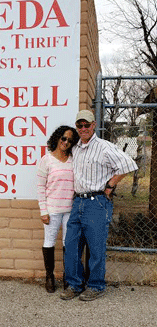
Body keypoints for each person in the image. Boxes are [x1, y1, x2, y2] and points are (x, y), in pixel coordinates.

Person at [60, 110, 138, 301]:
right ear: (76, 127)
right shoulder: (75, 148)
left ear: (94, 125)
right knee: (71, 245)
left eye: (87, 125)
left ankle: (95, 286)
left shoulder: (104, 147)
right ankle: (75, 284)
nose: (83, 128)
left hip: (97, 202)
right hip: (77, 201)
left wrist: (111, 185)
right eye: (80, 125)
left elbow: (128, 163)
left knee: (95, 248)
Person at [37, 125, 79, 293]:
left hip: (70, 209)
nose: (66, 142)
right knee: (49, 242)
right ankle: (50, 276)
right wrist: (43, 211)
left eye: (70, 140)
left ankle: (68, 278)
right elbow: (40, 187)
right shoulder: (46, 160)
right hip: (52, 209)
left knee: (67, 243)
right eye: (63, 138)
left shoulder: (73, 159)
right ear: (57, 138)